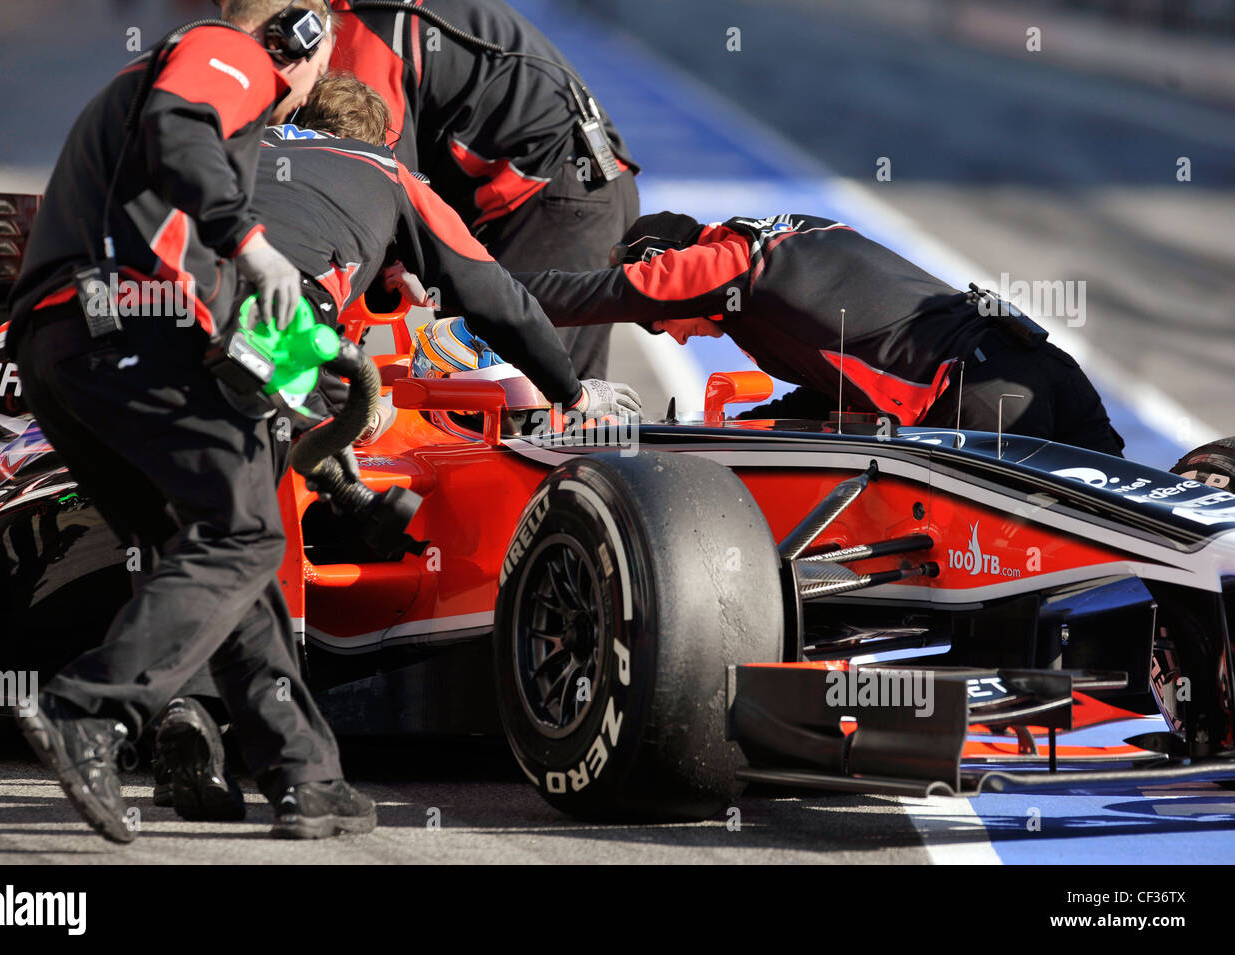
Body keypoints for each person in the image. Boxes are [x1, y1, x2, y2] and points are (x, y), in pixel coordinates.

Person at [146, 71, 642, 819]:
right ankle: (245, 732)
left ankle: (185, 701)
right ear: (378, 141)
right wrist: (573, 392)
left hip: (141, 329)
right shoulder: (388, 173)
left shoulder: (231, 148)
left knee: (214, 507)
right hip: (266, 337)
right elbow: (494, 293)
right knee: (254, 515)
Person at [6, 0, 376, 843]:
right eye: (323, 61)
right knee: (245, 536)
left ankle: (304, 776)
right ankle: (86, 711)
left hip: (68, 348)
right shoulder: (229, 53)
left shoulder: (162, 72)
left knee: (220, 545)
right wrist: (250, 240)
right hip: (122, 335)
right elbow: (181, 128)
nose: (314, 88)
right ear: (302, 33)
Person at [516, 211, 1125, 456]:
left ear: (665, 263)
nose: (672, 337)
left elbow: (589, 295)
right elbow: (843, 380)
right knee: (1161, 557)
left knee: (989, 605)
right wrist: (746, 426)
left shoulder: (727, 263)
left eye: (660, 323)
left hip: (977, 402)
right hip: (1036, 366)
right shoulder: (797, 236)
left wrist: (463, 281)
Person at [327, 0, 640, 381]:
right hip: (586, 188)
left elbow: (375, 173)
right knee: (564, 423)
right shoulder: (385, 11)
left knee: (497, 399)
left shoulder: (365, 26)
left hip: (555, 198)